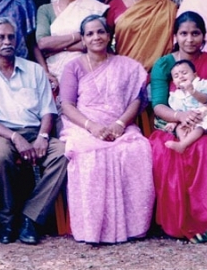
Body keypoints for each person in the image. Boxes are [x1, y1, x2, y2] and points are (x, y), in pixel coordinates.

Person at [58, 15, 154, 244]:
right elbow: (67, 105)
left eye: (100, 31)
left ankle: (134, 227)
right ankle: (93, 230)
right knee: (91, 155)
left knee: (137, 149)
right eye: (89, 34)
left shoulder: (127, 66)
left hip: (120, 125)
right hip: (83, 125)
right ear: (83, 39)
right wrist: (91, 126)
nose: (96, 37)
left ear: (109, 35)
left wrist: (120, 124)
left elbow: (136, 100)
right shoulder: (73, 67)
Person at [0, 18, 67, 246]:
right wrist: (15, 137)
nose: (7, 41)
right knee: (0, 155)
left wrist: (43, 136)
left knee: (63, 153)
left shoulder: (34, 70)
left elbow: (48, 110)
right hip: (0, 133)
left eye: (10, 37)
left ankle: (30, 218)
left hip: (34, 131)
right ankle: (7, 218)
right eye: (0, 37)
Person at [148, 11, 207, 242]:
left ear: (204, 35)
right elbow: (158, 104)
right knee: (165, 151)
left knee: (204, 147)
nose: (190, 39)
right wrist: (180, 116)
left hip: (204, 124)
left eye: (195, 33)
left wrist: (205, 111)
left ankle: (205, 220)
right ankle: (175, 224)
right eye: (184, 33)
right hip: (170, 125)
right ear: (175, 36)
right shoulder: (164, 64)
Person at [35, 0, 109, 80]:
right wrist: (80, 35)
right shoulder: (45, 10)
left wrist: (61, 47)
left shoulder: (94, 8)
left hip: (89, 71)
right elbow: (43, 43)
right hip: (54, 73)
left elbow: (95, 43)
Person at [107, 0, 177, 72]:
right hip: (124, 71)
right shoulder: (115, 5)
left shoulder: (168, 6)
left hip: (159, 73)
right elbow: (105, 41)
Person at [162, 59, 207, 154]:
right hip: (190, 120)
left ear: (195, 75)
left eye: (184, 73)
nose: (181, 76)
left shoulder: (201, 84)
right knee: (179, 127)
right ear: (174, 82)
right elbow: (179, 111)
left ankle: (183, 145)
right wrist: (173, 123)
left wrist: (192, 91)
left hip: (205, 115)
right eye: (176, 76)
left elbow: (206, 99)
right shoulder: (176, 96)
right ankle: (185, 142)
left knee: (200, 127)